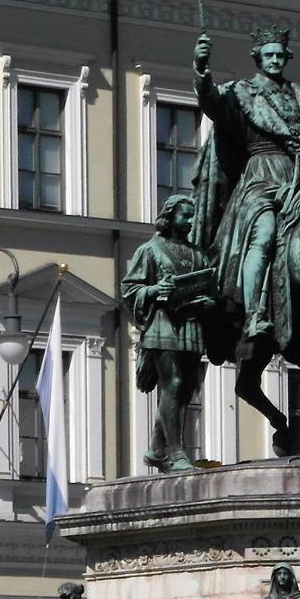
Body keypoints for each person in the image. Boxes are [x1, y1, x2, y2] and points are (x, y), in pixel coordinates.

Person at [191, 25, 300, 348]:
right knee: (263, 235)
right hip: (260, 177)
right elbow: (212, 104)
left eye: (280, 55)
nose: (275, 60)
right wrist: (201, 69)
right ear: (258, 58)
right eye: (269, 55)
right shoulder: (241, 92)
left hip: (299, 177)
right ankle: (254, 314)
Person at [121, 194, 213, 471]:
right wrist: (152, 291)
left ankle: (156, 449)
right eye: (186, 215)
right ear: (170, 216)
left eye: (193, 215)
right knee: (171, 384)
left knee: (186, 390)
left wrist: (210, 301)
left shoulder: (198, 253)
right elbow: (129, 290)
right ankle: (175, 452)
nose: (191, 221)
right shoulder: (150, 250)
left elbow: (208, 287)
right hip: (163, 323)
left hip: (191, 323)